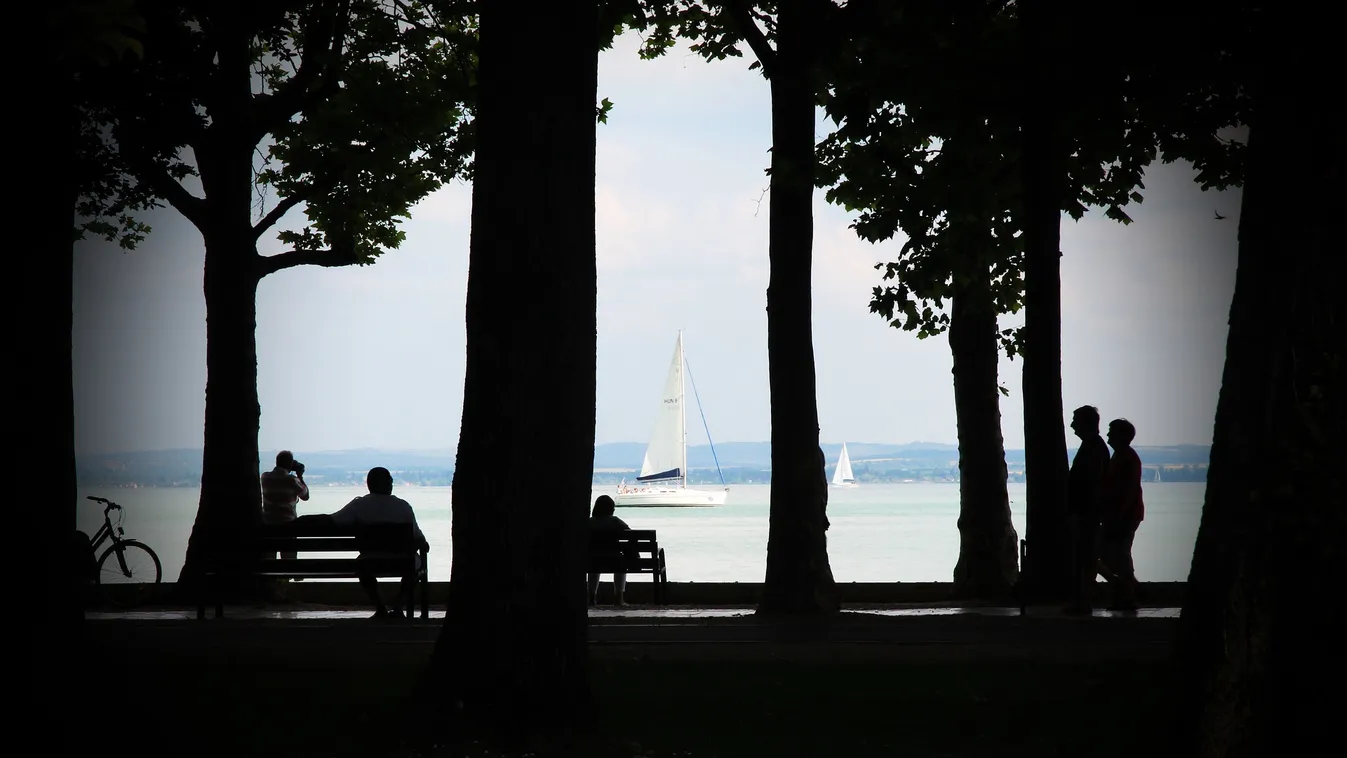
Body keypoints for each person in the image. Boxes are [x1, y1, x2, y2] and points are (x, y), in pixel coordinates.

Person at [327, 467, 428, 620]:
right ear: (389, 484)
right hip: (403, 562)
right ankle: (398, 605)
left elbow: (334, 520)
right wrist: (423, 544)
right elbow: (418, 538)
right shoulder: (403, 506)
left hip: (369, 562)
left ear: (369, 484)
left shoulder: (359, 505)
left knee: (361, 566)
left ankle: (380, 608)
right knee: (414, 565)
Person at [1065, 405, 1110, 614]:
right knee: (1085, 556)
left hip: (1086, 511)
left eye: (1076, 421)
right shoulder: (1093, 446)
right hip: (1086, 510)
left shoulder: (1093, 448)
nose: (1072, 425)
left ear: (1086, 423)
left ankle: (1084, 601)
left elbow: (1091, 483)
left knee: (1085, 557)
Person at [1100, 418, 1145, 611]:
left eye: (1112, 432)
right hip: (1121, 513)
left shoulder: (1126, 458)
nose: (1108, 435)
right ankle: (1127, 590)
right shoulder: (1121, 456)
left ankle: (1127, 593)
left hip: (1124, 514)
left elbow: (1129, 489)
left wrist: (1119, 513)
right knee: (1117, 554)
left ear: (1122, 436)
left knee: (1119, 554)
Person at [261, 450, 310, 564]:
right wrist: (300, 476)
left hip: (268, 525)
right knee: (289, 561)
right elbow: (305, 496)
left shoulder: (265, 477)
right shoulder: (292, 480)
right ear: (290, 464)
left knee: (269, 560)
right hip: (288, 525)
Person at [587, 495, 631, 606]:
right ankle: (618, 598)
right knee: (621, 564)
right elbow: (631, 534)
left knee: (593, 567)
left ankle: (591, 598)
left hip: (592, 559)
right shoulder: (615, 521)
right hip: (614, 559)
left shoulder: (590, 522)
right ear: (611, 508)